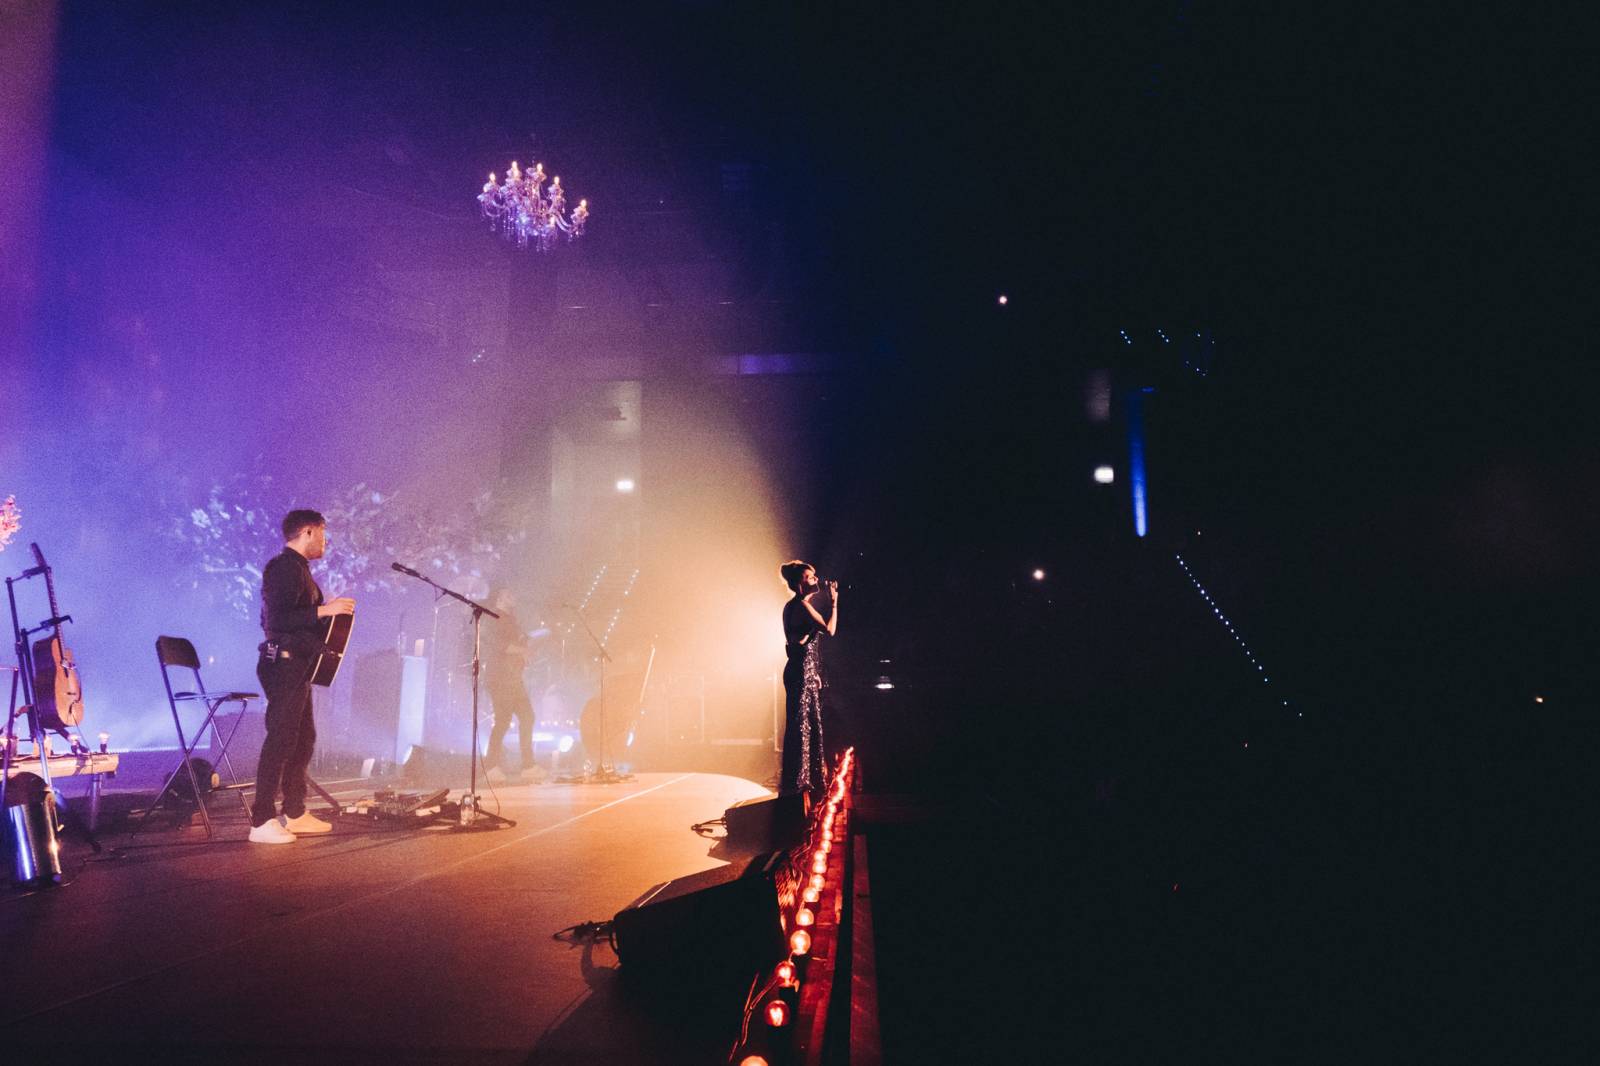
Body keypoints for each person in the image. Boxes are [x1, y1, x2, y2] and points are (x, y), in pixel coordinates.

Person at [248, 509, 354, 844]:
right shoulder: (283, 568)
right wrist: (324, 610)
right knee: (281, 738)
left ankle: (294, 812)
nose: (326, 541)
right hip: (283, 663)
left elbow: (296, 618)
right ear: (308, 531)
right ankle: (261, 820)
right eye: (323, 533)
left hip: (297, 665)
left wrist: (325, 617)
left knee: (303, 739)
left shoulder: (299, 571)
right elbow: (276, 620)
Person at [779, 560, 838, 800]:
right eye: (810, 577)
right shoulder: (801, 607)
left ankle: (804, 782)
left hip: (802, 671)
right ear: (799, 583)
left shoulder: (794, 606)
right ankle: (798, 784)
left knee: (806, 724)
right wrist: (834, 603)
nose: (816, 579)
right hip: (800, 673)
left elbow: (801, 645)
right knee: (801, 726)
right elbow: (829, 630)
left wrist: (813, 672)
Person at [482, 587, 536, 782]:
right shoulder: (493, 618)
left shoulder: (512, 620)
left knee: (526, 717)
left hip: (512, 678)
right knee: (504, 721)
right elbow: (499, 645)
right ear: (499, 598)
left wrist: (525, 651)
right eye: (508, 595)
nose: (513, 597)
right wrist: (522, 651)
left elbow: (517, 643)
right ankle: (491, 767)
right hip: (500, 678)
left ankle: (528, 766)